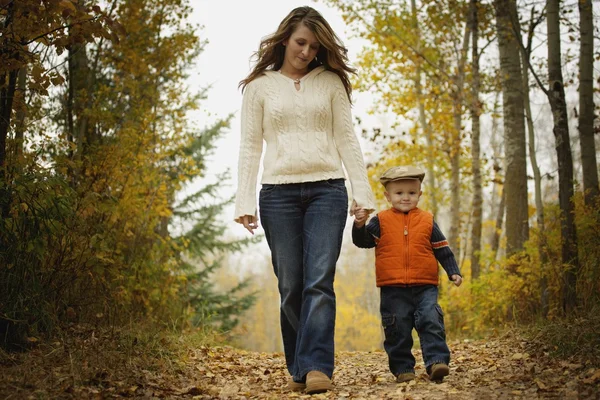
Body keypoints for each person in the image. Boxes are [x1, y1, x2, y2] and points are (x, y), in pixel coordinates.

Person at [233, 6, 375, 394]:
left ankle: (316, 367)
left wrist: (362, 193)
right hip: (277, 194)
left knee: (319, 281)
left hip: (327, 190)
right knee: (291, 285)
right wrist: (244, 200)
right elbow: (250, 146)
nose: (306, 51)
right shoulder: (260, 87)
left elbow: (347, 139)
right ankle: (299, 366)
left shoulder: (330, 83)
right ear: (284, 40)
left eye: (314, 46)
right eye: (301, 42)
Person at [352, 165, 462, 383]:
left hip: (425, 285)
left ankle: (437, 361)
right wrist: (359, 224)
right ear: (388, 196)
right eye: (399, 193)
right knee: (397, 329)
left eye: (411, 193)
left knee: (431, 320)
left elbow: (442, 249)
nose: (405, 198)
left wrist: (453, 271)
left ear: (419, 194)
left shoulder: (427, 220)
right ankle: (403, 369)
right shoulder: (381, 220)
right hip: (392, 287)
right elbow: (362, 242)